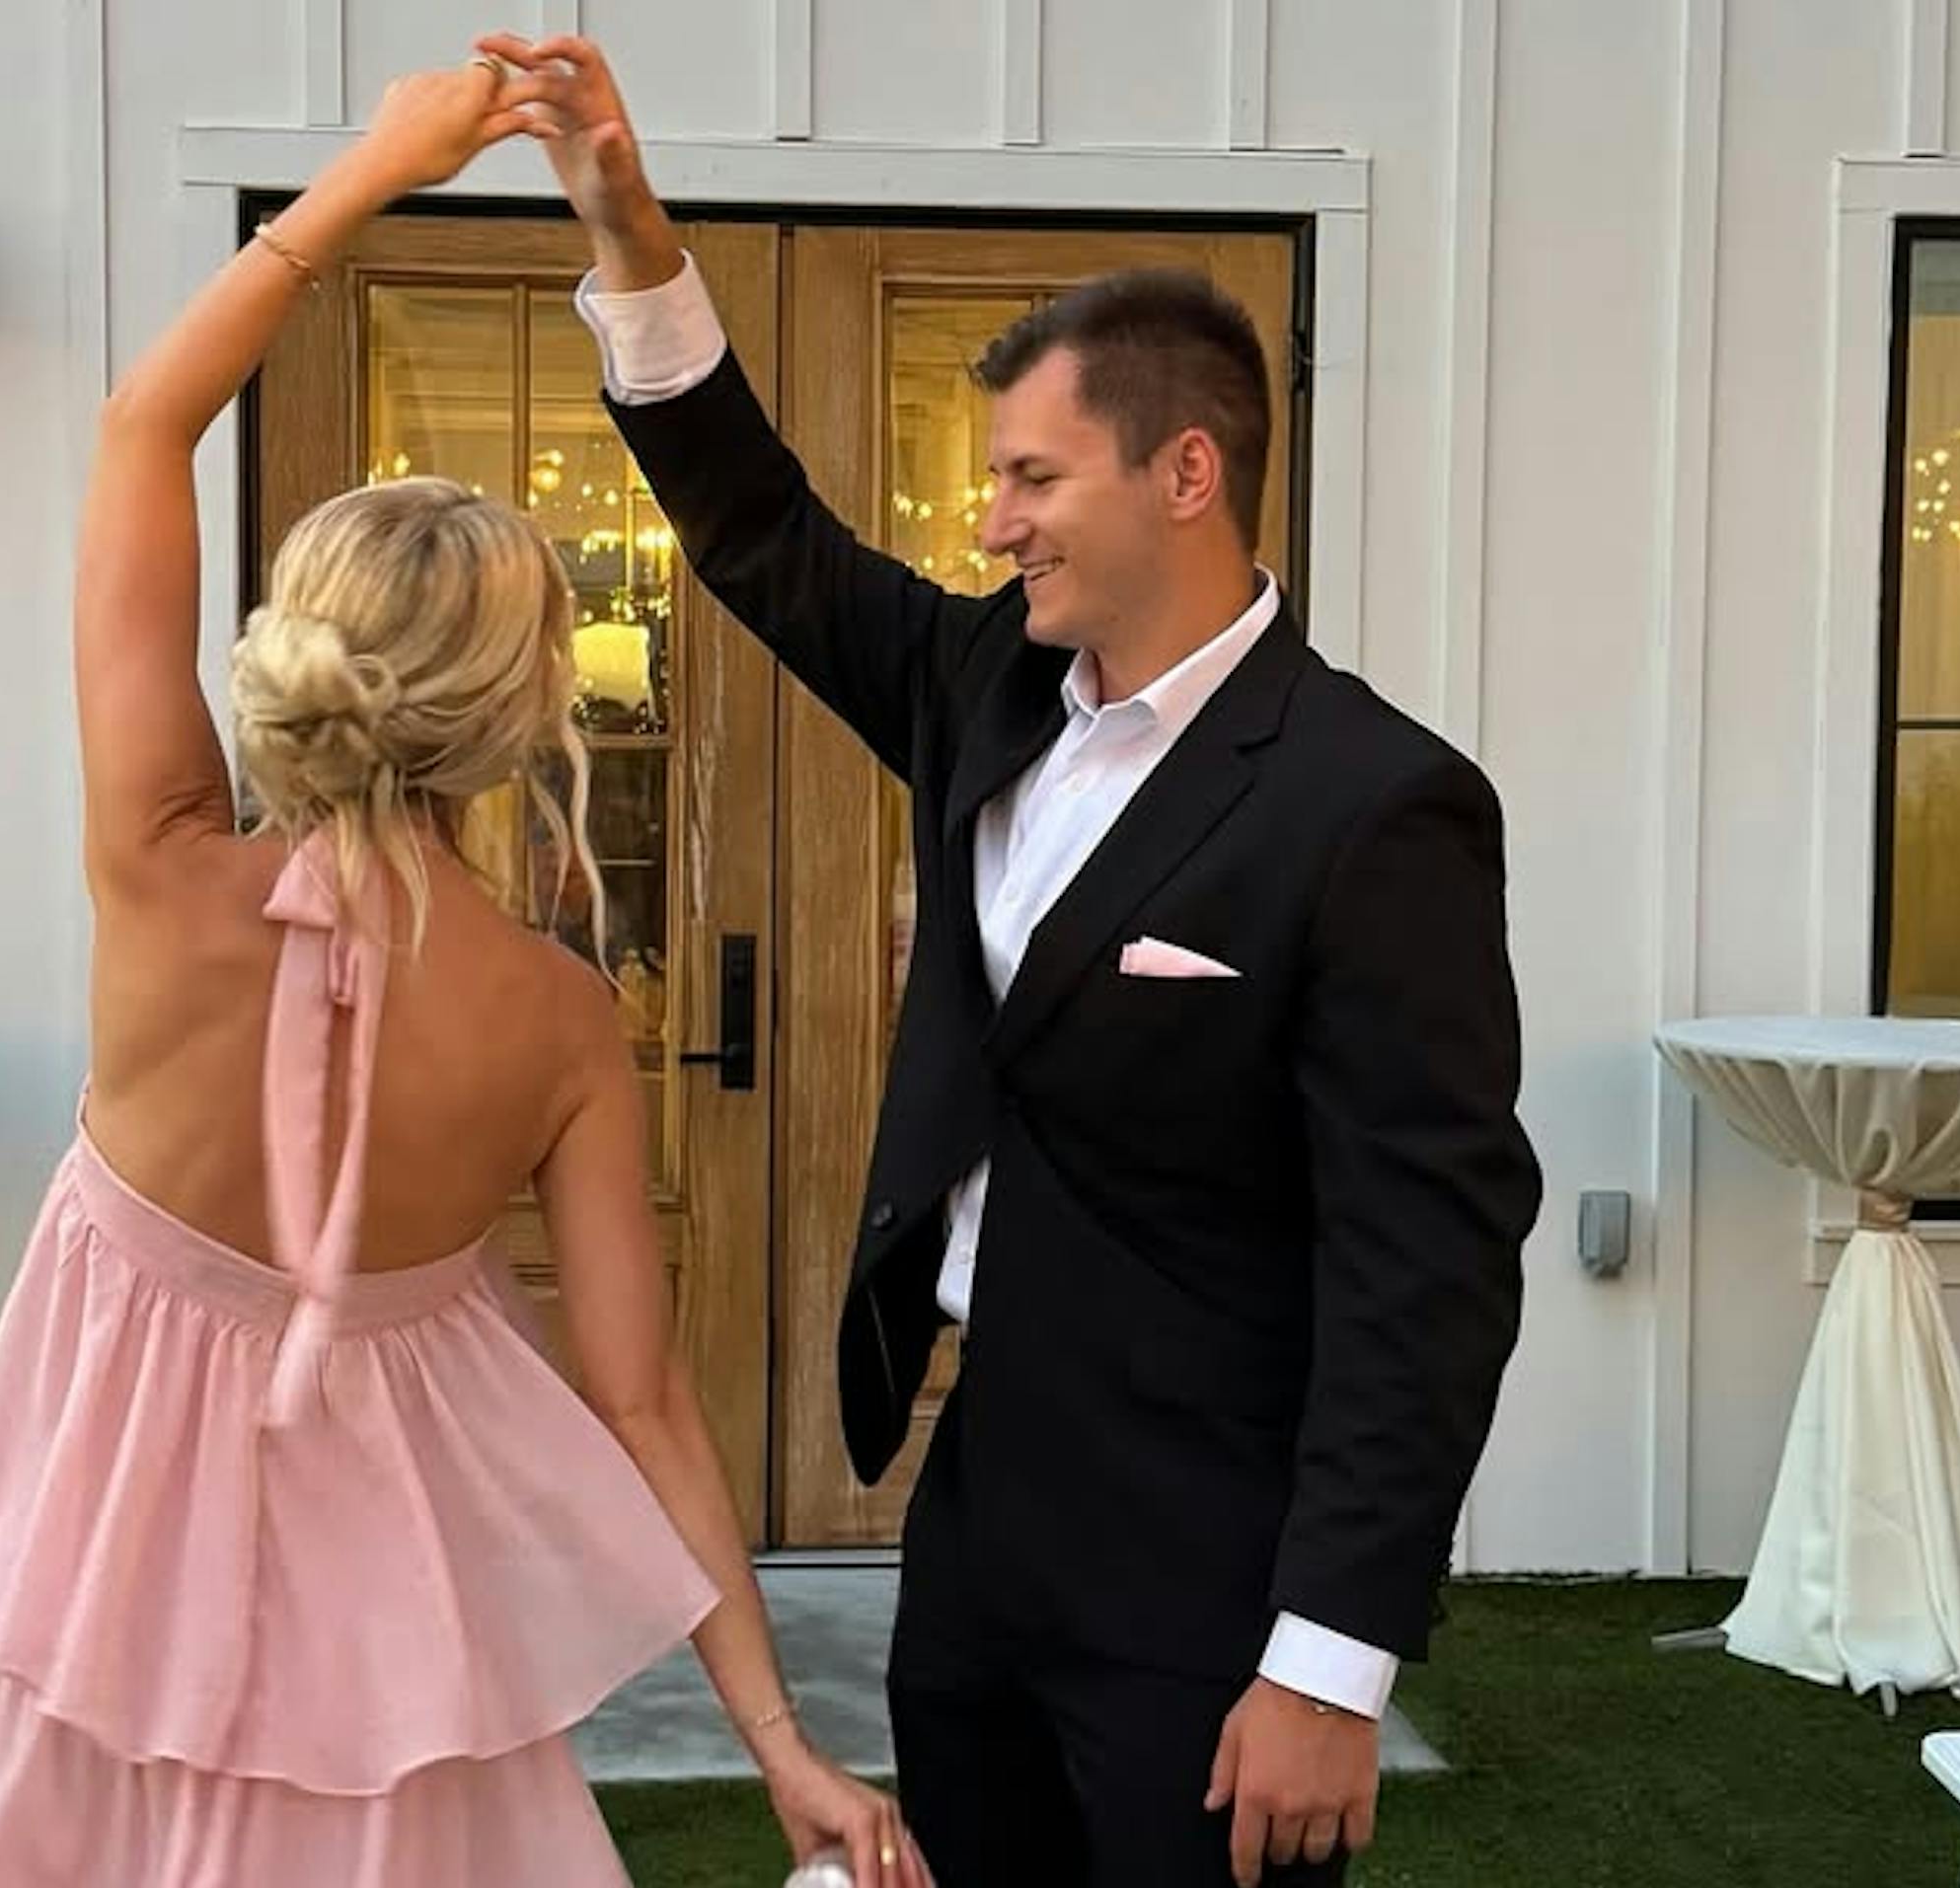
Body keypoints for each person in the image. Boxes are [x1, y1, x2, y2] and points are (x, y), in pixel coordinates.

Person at [0, 57, 923, 1888]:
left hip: (70, 1636)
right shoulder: (565, 1022)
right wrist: (780, 1744)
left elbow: (135, 434)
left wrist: (362, 184)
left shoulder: (163, 870)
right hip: (385, 1715)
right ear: (522, 716)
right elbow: (645, 1402)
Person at [486, 32, 1544, 1887]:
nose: (988, 522)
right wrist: (626, 229)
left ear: (1189, 472)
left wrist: (1331, 1654)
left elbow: (1430, 1258)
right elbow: (760, 531)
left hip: (1214, 1553)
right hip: (975, 1505)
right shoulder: (987, 686)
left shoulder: (1381, 807)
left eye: (1032, 477)